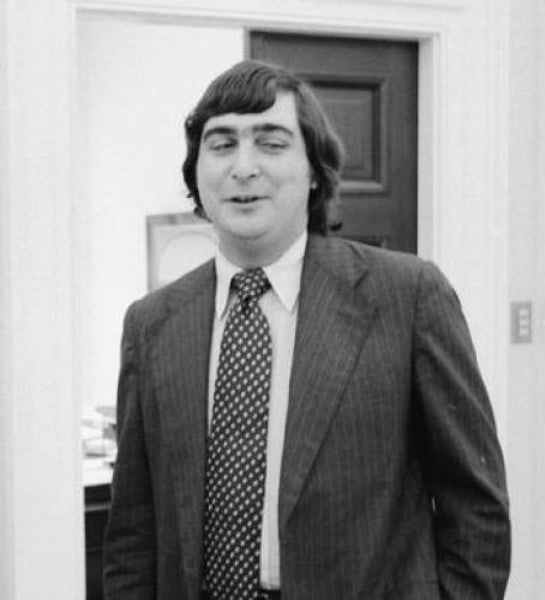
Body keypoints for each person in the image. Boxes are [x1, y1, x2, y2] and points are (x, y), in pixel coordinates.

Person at [103, 59, 511, 600]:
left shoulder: (407, 296)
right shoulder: (151, 324)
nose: (243, 167)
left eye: (271, 143)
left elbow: (476, 508)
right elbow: (132, 533)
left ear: (315, 170)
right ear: (196, 174)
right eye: (221, 145)